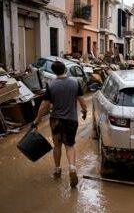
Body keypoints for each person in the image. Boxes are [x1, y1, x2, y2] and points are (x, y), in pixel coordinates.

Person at [33, 60, 87, 188]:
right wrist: (84, 111)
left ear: (54, 72)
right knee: (70, 145)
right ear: (65, 70)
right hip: (71, 120)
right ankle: (72, 168)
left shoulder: (51, 85)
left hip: (56, 120)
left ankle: (57, 169)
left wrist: (37, 120)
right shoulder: (75, 82)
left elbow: (44, 106)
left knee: (57, 145)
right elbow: (82, 101)